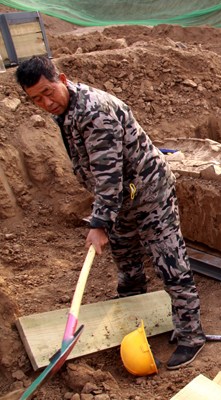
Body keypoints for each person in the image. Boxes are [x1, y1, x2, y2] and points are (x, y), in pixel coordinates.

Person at [16, 56, 206, 370]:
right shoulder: (66, 110)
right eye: (36, 98)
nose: (46, 102)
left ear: (62, 79)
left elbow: (108, 175)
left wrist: (99, 222)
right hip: (121, 199)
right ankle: (132, 311)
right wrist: (107, 216)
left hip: (149, 193)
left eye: (49, 92)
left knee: (169, 262)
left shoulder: (93, 111)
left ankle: (191, 334)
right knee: (127, 261)